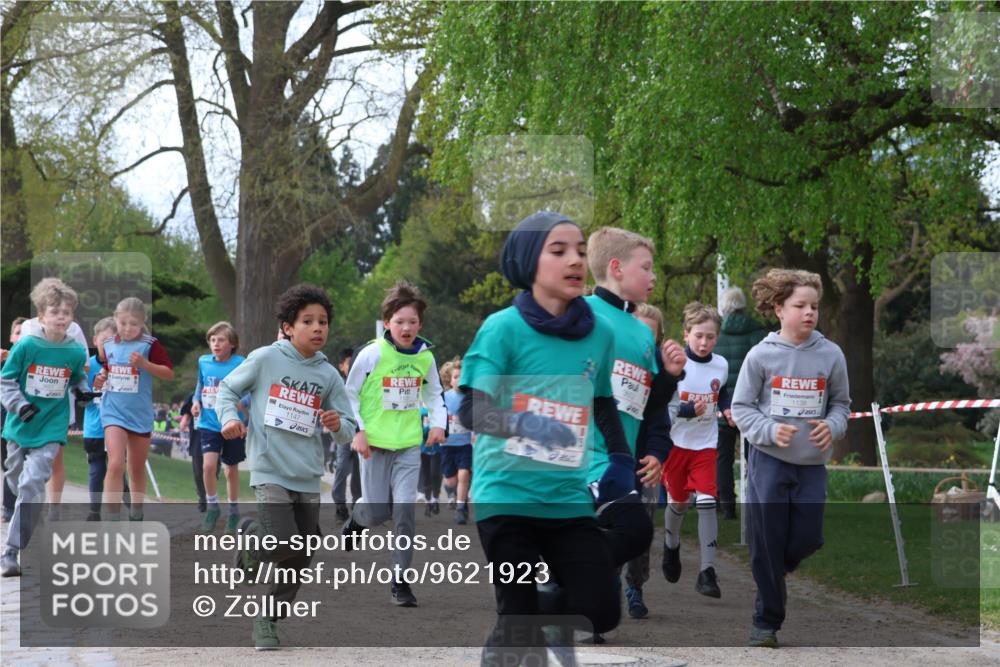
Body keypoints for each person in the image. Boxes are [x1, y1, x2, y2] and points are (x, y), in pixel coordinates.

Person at [456, 211, 641, 665]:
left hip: (566, 499)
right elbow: (470, 409)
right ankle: (513, 629)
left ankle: (515, 628)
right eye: (558, 251)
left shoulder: (599, 334)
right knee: (519, 615)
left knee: (600, 609)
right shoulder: (502, 329)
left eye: (579, 250)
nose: (575, 260)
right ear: (527, 263)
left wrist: (620, 458)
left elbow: (601, 402)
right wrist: (527, 424)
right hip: (507, 498)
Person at [221, 283, 356, 650]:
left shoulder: (328, 375)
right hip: (269, 468)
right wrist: (228, 418)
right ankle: (253, 539)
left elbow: (347, 429)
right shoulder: (265, 359)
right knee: (282, 541)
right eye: (308, 321)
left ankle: (267, 619)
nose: (318, 328)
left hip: (308, 475)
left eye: (323, 322)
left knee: (301, 553)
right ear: (287, 327)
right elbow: (228, 390)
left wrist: (335, 425)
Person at [732, 268, 850, 648]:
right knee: (767, 540)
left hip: (811, 463)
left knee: (807, 538)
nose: (809, 312)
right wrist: (768, 429)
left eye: (814, 306)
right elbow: (742, 408)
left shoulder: (831, 354)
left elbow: (842, 406)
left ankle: (771, 572)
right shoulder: (760, 355)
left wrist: (831, 426)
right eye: (800, 305)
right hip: (768, 460)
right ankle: (766, 622)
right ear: (779, 308)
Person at [584, 227, 686, 627]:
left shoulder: (640, 333)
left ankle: (570, 580)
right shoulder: (584, 316)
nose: (653, 276)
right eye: (645, 267)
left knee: (635, 533)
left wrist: (670, 376)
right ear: (616, 269)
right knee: (630, 528)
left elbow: (648, 404)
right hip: (578, 457)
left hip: (619, 461)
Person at [342, 280, 447, 608]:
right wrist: (357, 431)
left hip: (408, 445)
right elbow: (349, 394)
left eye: (412, 322)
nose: (406, 328)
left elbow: (434, 394)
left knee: (404, 512)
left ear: (420, 325)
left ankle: (400, 582)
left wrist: (439, 424)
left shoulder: (424, 357)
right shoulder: (372, 353)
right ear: (387, 323)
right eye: (399, 322)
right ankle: (357, 520)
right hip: (374, 444)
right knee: (376, 513)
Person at [0, 279, 88, 576]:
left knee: (31, 482)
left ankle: (10, 552)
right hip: (20, 424)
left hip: (52, 426)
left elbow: (78, 378)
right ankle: (29, 510)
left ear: (72, 317)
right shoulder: (27, 345)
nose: (61, 317)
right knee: (15, 478)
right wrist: (20, 405)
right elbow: (6, 380)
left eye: (66, 312)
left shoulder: (75, 352)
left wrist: (86, 392)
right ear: (41, 316)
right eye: (55, 311)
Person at [661, 302, 730, 599]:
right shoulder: (677, 365)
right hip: (676, 445)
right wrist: (687, 409)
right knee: (677, 503)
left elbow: (722, 392)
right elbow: (662, 404)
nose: (704, 343)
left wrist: (727, 410)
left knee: (706, 500)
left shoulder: (721, 365)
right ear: (686, 333)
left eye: (711, 337)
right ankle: (671, 547)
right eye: (699, 335)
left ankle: (707, 571)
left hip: (706, 444)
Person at [93, 297, 174, 521]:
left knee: (136, 468)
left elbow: (168, 373)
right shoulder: (108, 344)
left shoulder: (150, 345)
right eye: (123, 323)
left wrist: (145, 365)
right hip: (113, 411)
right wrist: (101, 377)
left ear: (143, 323)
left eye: (134, 324)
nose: (128, 328)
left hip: (139, 414)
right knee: (116, 463)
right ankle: (111, 518)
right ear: (116, 320)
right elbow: (109, 369)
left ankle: (136, 512)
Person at [628, 302, 677, 619]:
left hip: (644, 466)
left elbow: (661, 428)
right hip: (606, 464)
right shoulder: (610, 368)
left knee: (640, 528)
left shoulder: (658, 382)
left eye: (650, 336)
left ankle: (635, 585)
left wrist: (658, 457)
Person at [19, 307, 89, 522]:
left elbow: (83, 365)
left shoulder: (74, 329)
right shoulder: (28, 327)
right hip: (29, 403)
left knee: (54, 459)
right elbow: (20, 360)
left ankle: (54, 509)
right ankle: (27, 505)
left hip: (58, 405)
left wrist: (59, 367)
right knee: (24, 459)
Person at [714, 286, 768, 519]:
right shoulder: (759, 334)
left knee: (723, 458)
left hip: (724, 407)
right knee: (753, 458)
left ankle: (727, 507)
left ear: (724, 309)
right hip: (752, 408)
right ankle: (753, 504)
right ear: (744, 307)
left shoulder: (716, 336)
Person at [192, 321, 247, 534]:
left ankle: (233, 511)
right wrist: (196, 401)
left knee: (230, 469)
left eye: (221, 340)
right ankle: (212, 507)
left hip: (232, 422)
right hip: (208, 422)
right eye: (212, 340)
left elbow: (251, 388)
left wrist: (244, 403)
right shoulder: (204, 361)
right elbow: (200, 385)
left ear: (232, 344)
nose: (216, 344)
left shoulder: (241, 363)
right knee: (207, 466)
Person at [81, 317, 117, 521]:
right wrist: (94, 389)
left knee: (118, 469)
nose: (108, 346)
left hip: (118, 428)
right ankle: (94, 511)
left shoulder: (122, 366)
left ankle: (132, 511)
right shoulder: (88, 366)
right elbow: (81, 400)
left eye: (113, 341)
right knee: (97, 469)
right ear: (95, 340)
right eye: (104, 340)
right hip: (94, 427)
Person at [440, 357, 473, 525]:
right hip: (447, 445)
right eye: (455, 377)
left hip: (465, 444)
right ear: (450, 380)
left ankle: (460, 509)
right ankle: (456, 492)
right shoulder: (444, 397)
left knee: (464, 474)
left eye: (462, 376)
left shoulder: (470, 397)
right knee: (451, 481)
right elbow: (436, 416)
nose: (459, 380)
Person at [1, 316, 27, 523]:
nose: (21, 336)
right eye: (18, 332)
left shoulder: (34, 359)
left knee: (18, 464)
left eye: (26, 333)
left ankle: (10, 508)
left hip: (20, 421)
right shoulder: (3, 359)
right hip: (3, 419)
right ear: (11, 336)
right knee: (9, 464)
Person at [331, 347, 360, 521]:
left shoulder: (362, 382)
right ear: (341, 366)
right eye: (350, 364)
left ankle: (357, 501)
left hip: (361, 432)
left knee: (359, 468)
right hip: (343, 431)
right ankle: (339, 502)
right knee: (342, 465)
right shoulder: (338, 383)